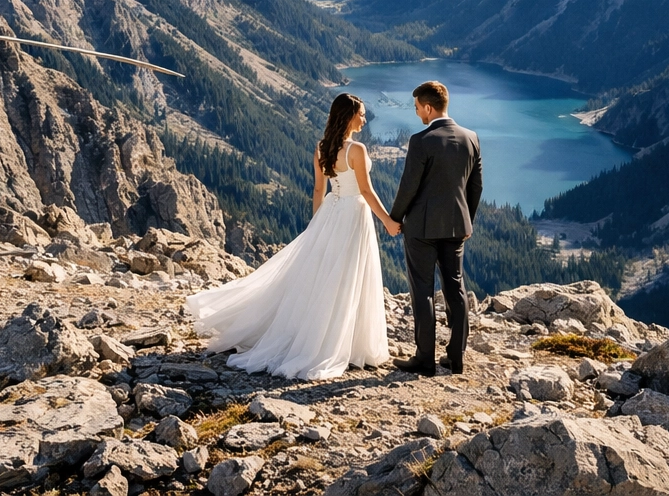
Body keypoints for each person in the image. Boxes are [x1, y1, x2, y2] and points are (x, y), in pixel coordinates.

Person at [185, 93, 395, 379]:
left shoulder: (322, 147)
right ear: (348, 116)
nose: (364, 118)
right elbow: (367, 192)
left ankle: (328, 336)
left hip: (331, 214)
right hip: (352, 214)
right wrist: (389, 222)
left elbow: (319, 191)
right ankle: (350, 343)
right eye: (361, 113)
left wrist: (317, 227)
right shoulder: (356, 149)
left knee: (326, 277)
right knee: (348, 277)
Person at [385, 80, 482, 376]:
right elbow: (475, 188)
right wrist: (468, 221)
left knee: (423, 290)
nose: (417, 114)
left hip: (421, 229)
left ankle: (425, 359)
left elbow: (408, 187)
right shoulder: (471, 138)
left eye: (417, 108)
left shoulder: (421, 141)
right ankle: (456, 358)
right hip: (456, 225)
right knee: (455, 287)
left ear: (428, 108)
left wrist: (394, 218)